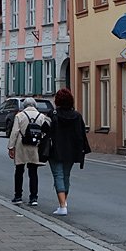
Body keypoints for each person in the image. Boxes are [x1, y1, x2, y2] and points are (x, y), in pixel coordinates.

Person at [46, 87, 91, 215]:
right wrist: (81, 150)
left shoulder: (52, 114)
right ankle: (63, 203)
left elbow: (45, 130)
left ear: (57, 101)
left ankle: (62, 205)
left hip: (55, 150)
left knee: (58, 175)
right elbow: (81, 135)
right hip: (71, 151)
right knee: (66, 176)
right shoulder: (77, 116)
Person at [7, 97, 49, 206]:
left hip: (21, 145)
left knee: (19, 171)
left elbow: (14, 132)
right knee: (33, 172)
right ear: (35, 105)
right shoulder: (41, 116)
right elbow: (45, 132)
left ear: (24, 106)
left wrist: (11, 147)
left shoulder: (19, 116)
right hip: (35, 146)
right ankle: (34, 197)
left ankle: (18, 196)